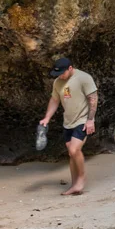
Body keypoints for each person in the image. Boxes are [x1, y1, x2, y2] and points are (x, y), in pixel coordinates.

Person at [40, 56, 98, 196]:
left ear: (70, 68)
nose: (60, 76)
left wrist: (90, 120)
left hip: (82, 120)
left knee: (74, 149)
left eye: (62, 73)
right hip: (68, 122)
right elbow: (55, 100)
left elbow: (93, 98)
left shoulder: (84, 78)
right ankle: (74, 185)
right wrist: (47, 117)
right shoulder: (57, 82)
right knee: (72, 154)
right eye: (58, 73)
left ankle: (81, 179)